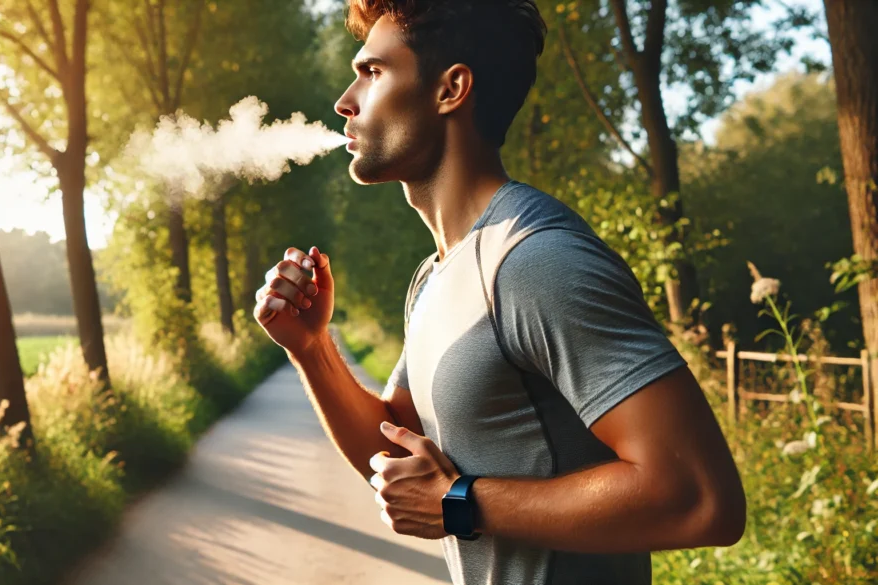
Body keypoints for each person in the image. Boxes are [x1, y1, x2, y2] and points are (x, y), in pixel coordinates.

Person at [253, 1, 746, 583]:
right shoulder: (438, 276)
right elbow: (397, 462)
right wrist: (311, 349)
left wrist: (463, 503)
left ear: (451, 89)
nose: (345, 100)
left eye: (373, 72)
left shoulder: (537, 260)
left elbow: (700, 499)